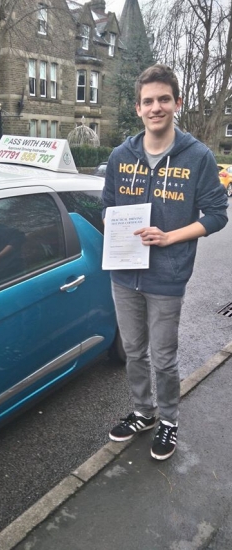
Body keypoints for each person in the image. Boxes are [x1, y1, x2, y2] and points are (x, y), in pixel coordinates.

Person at [102, 64, 228, 461]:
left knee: (163, 355)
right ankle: (143, 412)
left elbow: (217, 213)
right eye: (148, 101)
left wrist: (169, 237)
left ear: (177, 103)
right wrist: (115, 226)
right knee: (135, 351)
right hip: (123, 273)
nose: (156, 107)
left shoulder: (198, 157)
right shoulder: (122, 155)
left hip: (167, 275)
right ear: (138, 108)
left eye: (163, 99)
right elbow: (107, 206)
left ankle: (169, 419)